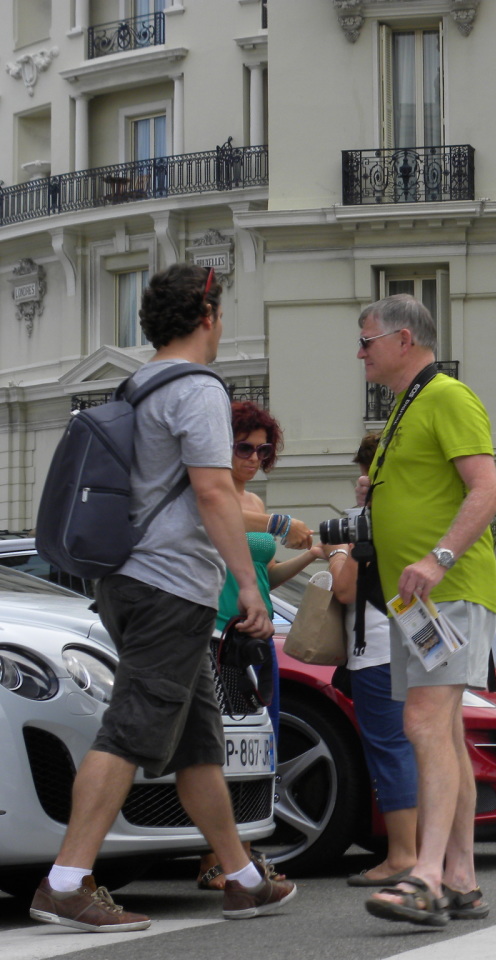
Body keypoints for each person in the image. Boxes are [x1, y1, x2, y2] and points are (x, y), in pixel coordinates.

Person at [29, 264, 295, 932]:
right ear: (209, 317)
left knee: (196, 742)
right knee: (129, 730)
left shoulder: (140, 384)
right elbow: (213, 493)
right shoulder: (199, 389)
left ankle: (239, 877)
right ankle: (66, 883)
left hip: (129, 579)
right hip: (168, 585)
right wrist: (244, 584)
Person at [356, 294, 496, 927]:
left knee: (422, 723)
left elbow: (488, 490)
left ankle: (424, 875)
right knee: (441, 732)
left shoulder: (446, 396)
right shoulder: (406, 406)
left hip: (446, 593)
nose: (359, 352)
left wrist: (438, 558)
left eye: (366, 340)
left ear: (404, 339)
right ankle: (462, 880)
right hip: (422, 603)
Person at [196, 400, 322, 891]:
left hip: (257, 631)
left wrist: (309, 557)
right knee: (225, 746)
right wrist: (275, 525)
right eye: (242, 447)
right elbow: (217, 518)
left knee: (254, 748)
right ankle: (219, 861)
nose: (252, 457)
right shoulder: (214, 494)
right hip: (219, 631)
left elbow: (264, 576)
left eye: (261, 449)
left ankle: (240, 856)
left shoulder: (253, 503)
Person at [324, 433, 420, 888]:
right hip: (422, 640)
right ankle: (429, 853)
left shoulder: (374, 517)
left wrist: (339, 549)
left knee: (390, 748)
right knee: (424, 748)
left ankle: (402, 854)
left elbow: (346, 589)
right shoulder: (423, 508)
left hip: (379, 647)